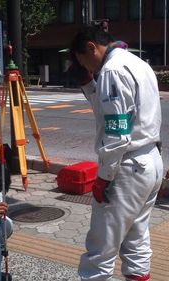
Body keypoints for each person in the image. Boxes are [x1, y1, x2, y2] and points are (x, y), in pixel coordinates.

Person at [69, 26, 163, 281]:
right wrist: (89, 85)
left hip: (126, 167)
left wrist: (104, 177)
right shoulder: (137, 63)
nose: (88, 68)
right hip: (151, 161)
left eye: (84, 62)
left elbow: (117, 132)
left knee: (101, 250)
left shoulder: (111, 70)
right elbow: (113, 112)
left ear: (91, 47)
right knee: (136, 239)